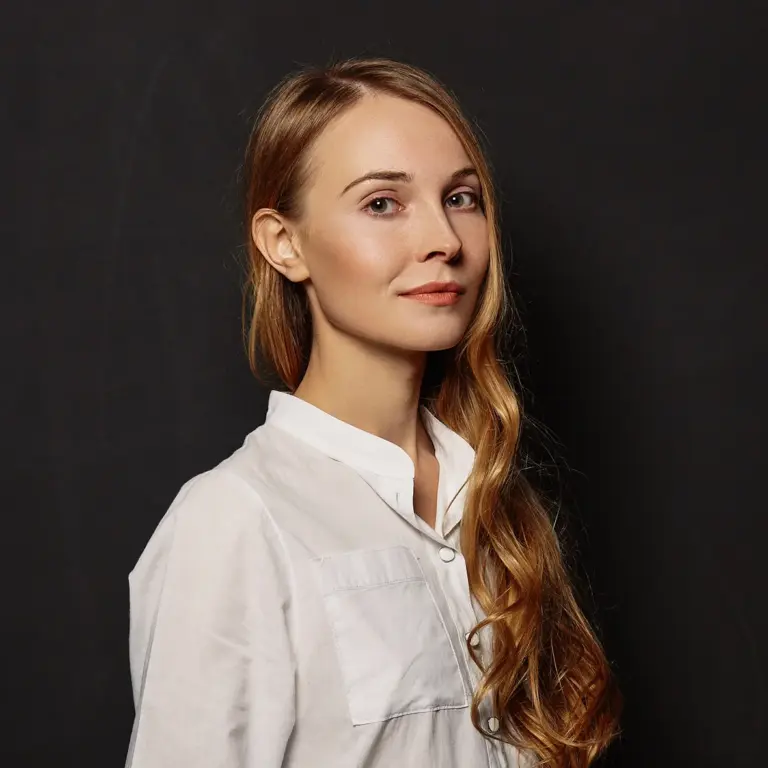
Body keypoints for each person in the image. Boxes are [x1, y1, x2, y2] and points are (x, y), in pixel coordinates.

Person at [124, 56, 623, 768]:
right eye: (383, 204)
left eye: (461, 198)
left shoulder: (490, 503)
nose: (444, 241)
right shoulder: (234, 522)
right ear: (285, 244)